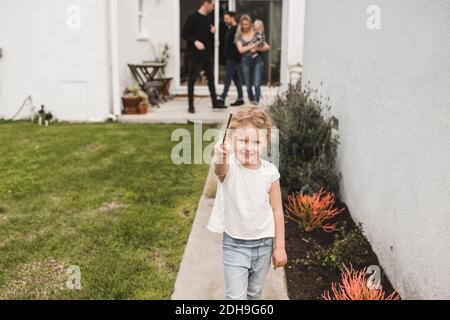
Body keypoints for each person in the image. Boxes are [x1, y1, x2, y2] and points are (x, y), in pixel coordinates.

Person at [207, 106, 288, 300]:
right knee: (235, 297)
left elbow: (277, 211)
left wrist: (279, 247)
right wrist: (221, 156)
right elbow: (220, 170)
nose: (248, 147)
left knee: (254, 294)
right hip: (234, 245)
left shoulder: (270, 173)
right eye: (243, 140)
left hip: (264, 245)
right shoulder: (230, 167)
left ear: (266, 143)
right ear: (232, 139)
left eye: (257, 141)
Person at [181, 0, 227, 114]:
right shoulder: (192, 17)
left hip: (206, 53)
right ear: (206, 3)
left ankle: (215, 103)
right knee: (192, 79)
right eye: (212, 5)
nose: (213, 8)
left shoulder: (209, 18)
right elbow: (184, 33)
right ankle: (191, 105)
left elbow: (206, 37)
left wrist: (212, 32)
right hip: (193, 54)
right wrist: (195, 41)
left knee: (211, 78)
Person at [235, 15, 270, 105]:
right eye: (243, 24)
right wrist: (253, 46)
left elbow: (266, 47)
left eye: (247, 24)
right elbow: (241, 50)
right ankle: (252, 100)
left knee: (257, 84)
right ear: (241, 25)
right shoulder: (239, 36)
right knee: (248, 86)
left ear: (250, 24)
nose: (245, 26)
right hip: (246, 61)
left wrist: (256, 49)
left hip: (257, 60)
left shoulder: (255, 33)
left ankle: (256, 104)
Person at [216, 11, 245, 108]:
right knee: (236, 79)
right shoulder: (230, 28)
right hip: (230, 58)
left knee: (227, 78)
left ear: (232, 18)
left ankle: (222, 98)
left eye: (227, 18)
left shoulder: (237, 29)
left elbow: (239, 44)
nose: (225, 20)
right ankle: (240, 98)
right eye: (224, 19)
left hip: (234, 58)